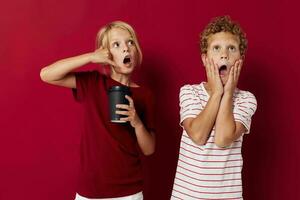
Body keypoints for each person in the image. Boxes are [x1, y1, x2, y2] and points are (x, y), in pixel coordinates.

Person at [40, 21, 155, 200]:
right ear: (107, 54)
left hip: (128, 192)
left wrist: (136, 122)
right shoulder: (93, 83)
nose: (126, 49)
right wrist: (90, 57)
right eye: (117, 45)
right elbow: (46, 74)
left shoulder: (144, 95)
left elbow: (149, 149)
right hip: (90, 191)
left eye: (130, 42)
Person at [171, 16, 257, 199]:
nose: (224, 54)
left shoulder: (246, 99)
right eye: (216, 48)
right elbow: (198, 135)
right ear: (205, 59)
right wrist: (217, 92)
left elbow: (223, 139)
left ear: (240, 60)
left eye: (231, 49)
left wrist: (227, 93)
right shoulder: (189, 92)